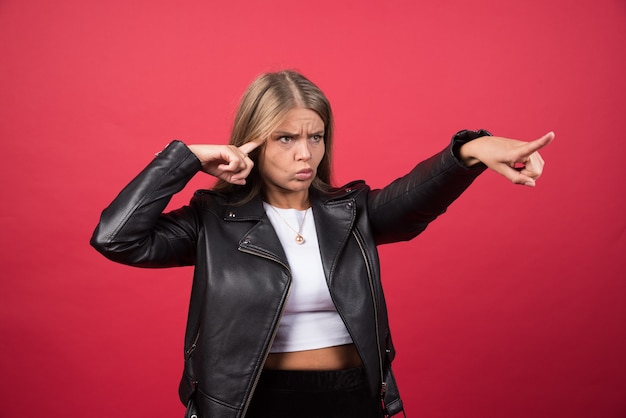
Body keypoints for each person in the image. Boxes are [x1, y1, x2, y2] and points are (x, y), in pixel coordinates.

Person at [91, 70, 553, 418]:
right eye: (286, 137)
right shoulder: (214, 222)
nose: (304, 153)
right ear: (251, 142)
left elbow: (417, 194)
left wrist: (471, 151)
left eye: (315, 136)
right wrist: (186, 159)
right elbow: (116, 238)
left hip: (352, 397)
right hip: (249, 404)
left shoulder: (352, 212)